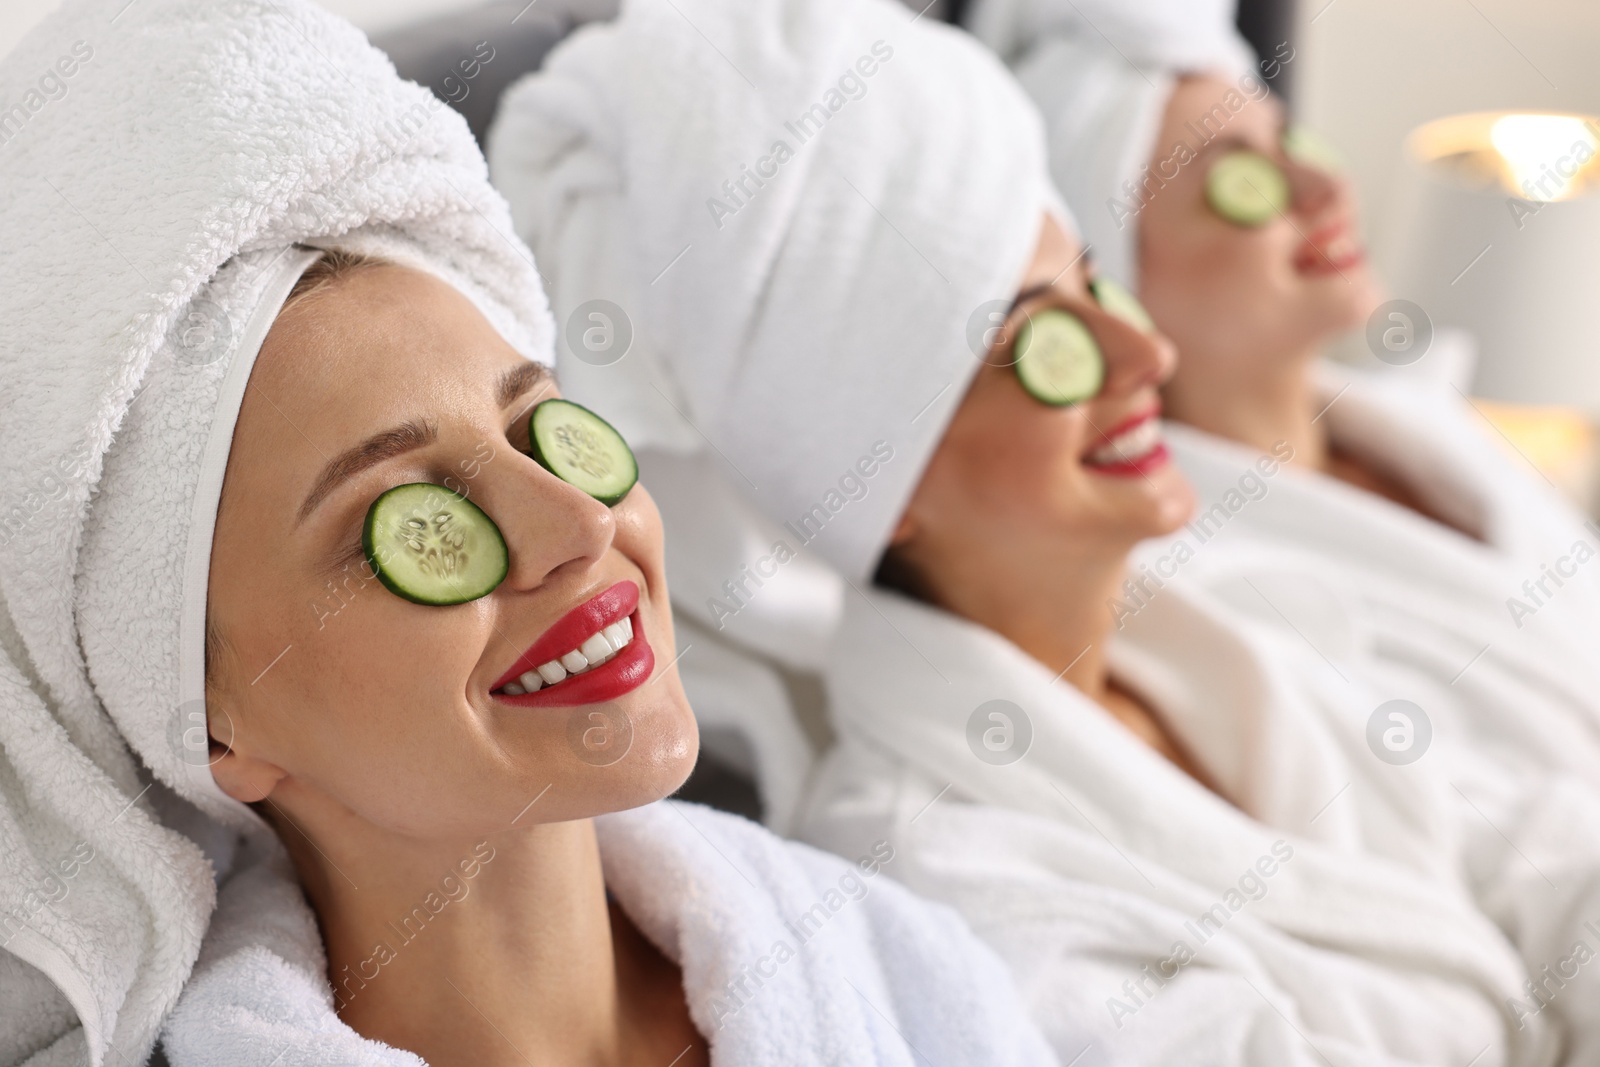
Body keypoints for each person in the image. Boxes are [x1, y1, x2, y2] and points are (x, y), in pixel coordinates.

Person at [488, 0, 1600, 1062]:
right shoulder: (942, 875)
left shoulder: (1212, 642)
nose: (1143, 358)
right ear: (881, 478)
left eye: (1091, 291)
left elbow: (1531, 849)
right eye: (1037, 344)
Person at [0, 3, 1062, 1066]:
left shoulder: (900, 965)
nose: (577, 522)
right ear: (216, 727)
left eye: (539, 430)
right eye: (408, 519)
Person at [961, 0, 1600, 786]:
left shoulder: (1436, 431)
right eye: (1244, 180)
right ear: (1124, 278)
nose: (1321, 185)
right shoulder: (1201, 595)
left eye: (1288, 141)